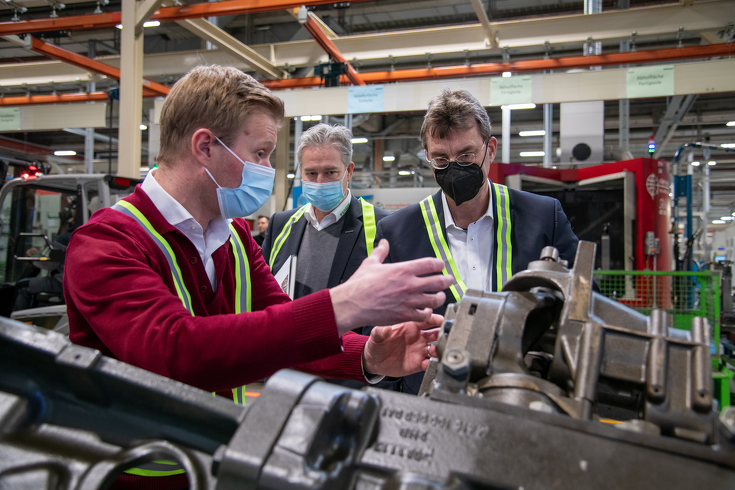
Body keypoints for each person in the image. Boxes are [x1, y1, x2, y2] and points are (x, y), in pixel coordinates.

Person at [63, 65, 453, 488]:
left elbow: (288, 333)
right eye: (261, 154)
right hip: (127, 474)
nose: (268, 170)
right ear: (205, 147)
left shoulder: (233, 237)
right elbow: (175, 352)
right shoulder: (107, 243)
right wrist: (345, 304)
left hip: (212, 457)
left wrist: (368, 356)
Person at [370, 88, 580, 395]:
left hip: (526, 399)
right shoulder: (397, 233)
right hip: (430, 403)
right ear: (428, 158)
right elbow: (380, 335)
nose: (454, 166)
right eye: (441, 158)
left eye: (466, 155)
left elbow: (581, 312)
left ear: (490, 149)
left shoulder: (543, 217)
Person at [262, 123, 390, 389]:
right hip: (287, 374)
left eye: (330, 172)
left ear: (349, 171)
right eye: (311, 173)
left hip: (349, 378)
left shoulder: (381, 227)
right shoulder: (281, 225)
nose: (320, 182)